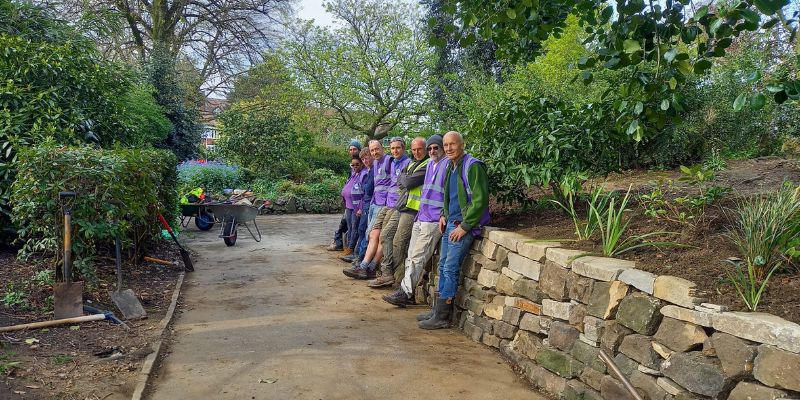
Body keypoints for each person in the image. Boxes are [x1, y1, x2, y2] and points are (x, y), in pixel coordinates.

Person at [418, 131, 490, 330]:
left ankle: (443, 316)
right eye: (446, 145)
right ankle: (436, 310)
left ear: (462, 144)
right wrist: (444, 214)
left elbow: (480, 200)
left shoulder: (473, 166)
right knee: (442, 266)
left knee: (450, 268)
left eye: (453, 144)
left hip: (463, 225)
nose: (448, 148)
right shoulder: (451, 165)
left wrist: (465, 227)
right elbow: (448, 196)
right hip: (451, 222)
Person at [382, 134, 446, 306]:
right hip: (421, 215)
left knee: (417, 256)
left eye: (436, 148)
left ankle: (405, 292)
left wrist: (444, 214)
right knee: (411, 256)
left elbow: (409, 183)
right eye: (430, 148)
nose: (432, 151)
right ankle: (405, 291)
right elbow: (404, 180)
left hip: (433, 219)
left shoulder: (446, 166)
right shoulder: (431, 164)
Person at [367, 137, 428, 288]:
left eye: (419, 149)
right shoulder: (412, 163)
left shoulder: (423, 164)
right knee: (386, 236)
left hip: (411, 209)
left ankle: (396, 279)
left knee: (399, 243)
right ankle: (388, 273)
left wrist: (404, 178)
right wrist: (404, 178)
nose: (416, 152)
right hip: (400, 206)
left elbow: (406, 182)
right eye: (414, 150)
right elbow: (402, 181)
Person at [343, 137, 407, 279]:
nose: (374, 152)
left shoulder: (390, 161)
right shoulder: (375, 164)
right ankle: (365, 266)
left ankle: (368, 266)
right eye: (372, 150)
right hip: (376, 203)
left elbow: (395, 183)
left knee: (378, 236)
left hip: (387, 205)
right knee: (371, 234)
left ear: (382, 148)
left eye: (377, 149)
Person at [327, 139, 363, 251]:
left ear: (359, 150)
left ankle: (345, 246)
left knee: (350, 226)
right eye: (351, 149)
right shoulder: (351, 166)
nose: (353, 151)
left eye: (355, 149)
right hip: (348, 203)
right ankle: (341, 244)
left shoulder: (362, 167)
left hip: (356, 204)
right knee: (346, 224)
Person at [341, 147, 373, 264]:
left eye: (357, 165)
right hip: (352, 206)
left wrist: (360, 207)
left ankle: (357, 255)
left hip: (361, 207)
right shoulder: (356, 173)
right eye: (352, 165)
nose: (354, 167)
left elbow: (364, 192)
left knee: (359, 229)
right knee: (354, 228)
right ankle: (354, 253)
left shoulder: (365, 173)